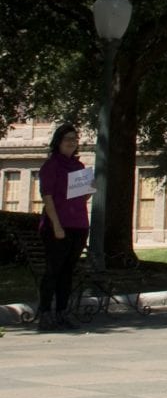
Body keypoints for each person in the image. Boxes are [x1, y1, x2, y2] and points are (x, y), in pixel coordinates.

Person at [37, 122, 90, 331]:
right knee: (53, 271)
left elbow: (80, 198)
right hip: (57, 226)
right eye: (67, 139)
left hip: (78, 224)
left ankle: (62, 312)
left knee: (68, 271)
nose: (71, 143)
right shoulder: (51, 166)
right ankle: (45, 313)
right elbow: (47, 197)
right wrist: (57, 226)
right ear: (58, 141)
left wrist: (89, 189)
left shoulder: (78, 167)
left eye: (74, 139)